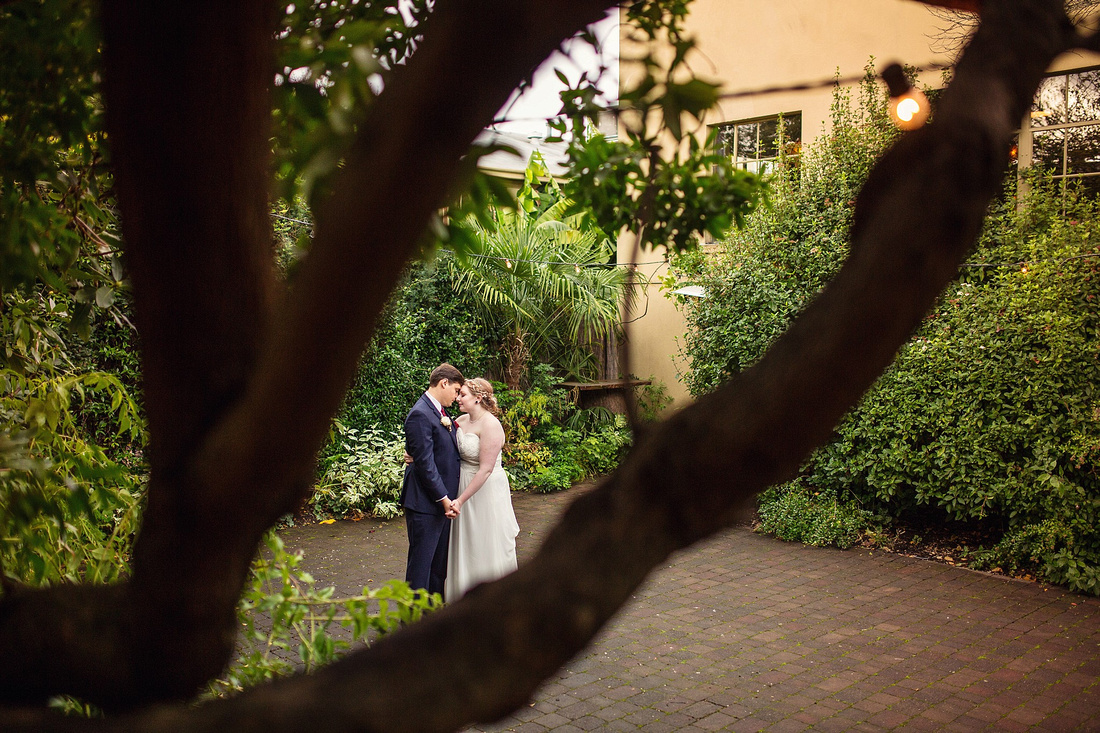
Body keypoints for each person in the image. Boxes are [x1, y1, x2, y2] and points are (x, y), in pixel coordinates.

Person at [445, 377, 519, 601]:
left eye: (463, 394)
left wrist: (460, 500)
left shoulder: (491, 425)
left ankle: (490, 599)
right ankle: (461, 595)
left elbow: (485, 469)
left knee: (485, 541)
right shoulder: (459, 421)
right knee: (466, 540)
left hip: (485, 490)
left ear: (478, 398)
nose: (458, 398)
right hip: (463, 482)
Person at [400, 363, 464, 598]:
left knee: (438, 568)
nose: (457, 397)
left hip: (441, 503)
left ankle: (432, 617)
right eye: (456, 390)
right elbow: (426, 464)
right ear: (443, 383)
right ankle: (412, 623)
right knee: (420, 569)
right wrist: (443, 498)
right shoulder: (420, 413)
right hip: (425, 503)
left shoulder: (440, 412)